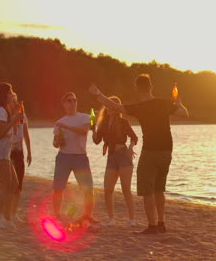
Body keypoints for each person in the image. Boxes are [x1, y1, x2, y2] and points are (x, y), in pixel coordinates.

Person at [89, 74, 189, 234]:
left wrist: (98, 94)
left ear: (137, 88)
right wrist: (179, 103)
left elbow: (116, 107)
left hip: (150, 151)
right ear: (151, 86)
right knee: (159, 188)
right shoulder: (164, 103)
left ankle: (152, 226)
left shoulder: (139, 107)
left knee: (147, 190)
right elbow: (184, 114)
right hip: (166, 150)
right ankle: (161, 222)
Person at [52, 92, 99, 224]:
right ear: (64, 104)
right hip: (63, 157)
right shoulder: (59, 122)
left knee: (88, 188)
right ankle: (57, 215)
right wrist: (57, 142)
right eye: (69, 101)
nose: (72, 103)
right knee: (58, 188)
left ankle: (88, 215)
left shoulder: (84, 117)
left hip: (80, 157)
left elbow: (84, 131)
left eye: (74, 100)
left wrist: (66, 127)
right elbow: (55, 142)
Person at [92, 96, 139, 227]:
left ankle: (131, 219)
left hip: (124, 155)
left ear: (117, 108)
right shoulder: (104, 123)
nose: (110, 107)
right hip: (111, 157)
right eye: (109, 105)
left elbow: (134, 137)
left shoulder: (123, 121)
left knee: (126, 189)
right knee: (107, 189)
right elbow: (96, 141)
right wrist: (93, 129)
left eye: (114, 105)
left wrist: (130, 148)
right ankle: (111, 219)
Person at [0, 82, 23, 228]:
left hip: (5, 154)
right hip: (0, 153)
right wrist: (13, 119)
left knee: (14, 185)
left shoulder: (6, 111)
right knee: (6, 188)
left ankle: (5, 219)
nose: (12, 94)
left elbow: (14, 133)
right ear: (4, 95)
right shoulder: (0, 111)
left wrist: (15, 114)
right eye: (10, 92)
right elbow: (1, 132)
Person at [10, 93, 32, 221]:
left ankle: (13, 214)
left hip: (19, 152)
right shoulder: (6, 116)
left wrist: (29, 152)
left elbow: (26, 135)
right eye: (12, 100)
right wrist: (13, 117)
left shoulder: (22, 116)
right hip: (8, 151)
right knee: (9, 184)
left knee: (18, 184)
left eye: (15, 100)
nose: (14, 102)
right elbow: (10, 132)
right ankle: (7, 212)